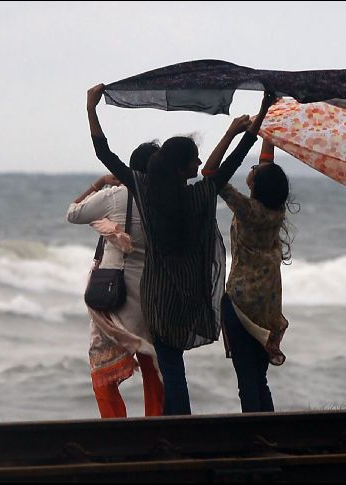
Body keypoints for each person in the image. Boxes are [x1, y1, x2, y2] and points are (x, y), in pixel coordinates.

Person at [85, 83, 277, 415]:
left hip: (157, 298)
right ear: (180, 168)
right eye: (194, 160)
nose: (199, 163)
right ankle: (178, 426)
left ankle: (179, 427)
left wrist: (91, 109)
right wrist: (255, 118)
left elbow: (106, 155)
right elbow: (226, 165)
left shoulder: (145, 192)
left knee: (172, 369)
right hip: (188, 296)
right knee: (174, 369)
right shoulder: (200, 196)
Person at [66, 141, 164, 418]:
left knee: (102, 365)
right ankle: (156, 425)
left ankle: (115, 427)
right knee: (151, 361)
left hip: (114, 292)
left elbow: (74, 213)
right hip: (149, 291)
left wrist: (99, 183)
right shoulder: (164, 197)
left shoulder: (115, 196)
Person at [203, 118, 292, 412]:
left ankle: (254, 437)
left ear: (257, 184)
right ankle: (268, 433)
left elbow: (210, 172)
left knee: (246, 380)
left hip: (241, 304)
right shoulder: (275, 211)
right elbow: (268, 159)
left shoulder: (247, 209)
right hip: (267, 305)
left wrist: (233, 133)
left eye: (254, 169)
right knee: (259, 378)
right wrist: (268, 121)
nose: (252, 168)